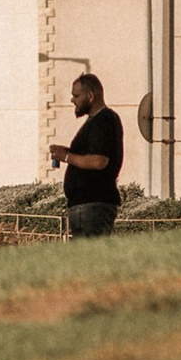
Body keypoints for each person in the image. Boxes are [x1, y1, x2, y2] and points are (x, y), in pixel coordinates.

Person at [49, 72, 123, 237]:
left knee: (89, 260)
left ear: (90, 95)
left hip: (92, 207)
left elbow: (99, 161)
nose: (72, 100)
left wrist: (67, 157)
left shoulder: (104, 120)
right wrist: (66, 152)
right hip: (85, 206)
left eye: (76, 95)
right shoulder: (95, 122)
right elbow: (89, 156)